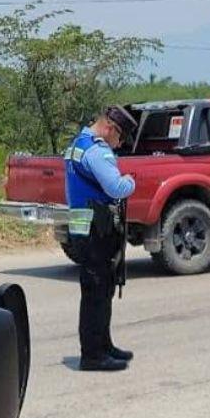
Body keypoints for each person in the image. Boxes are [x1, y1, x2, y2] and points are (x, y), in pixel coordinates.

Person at [64, 105, 137, 372]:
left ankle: (104, 345)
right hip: (97, 229)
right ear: (110, 128)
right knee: (97, 292)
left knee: (100, 289)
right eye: (119, 139)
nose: (118, 146)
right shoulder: (97, 151)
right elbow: (116, 187)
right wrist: (131, 181)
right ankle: (94, 355)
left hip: (83, 227)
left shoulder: (79, 145)